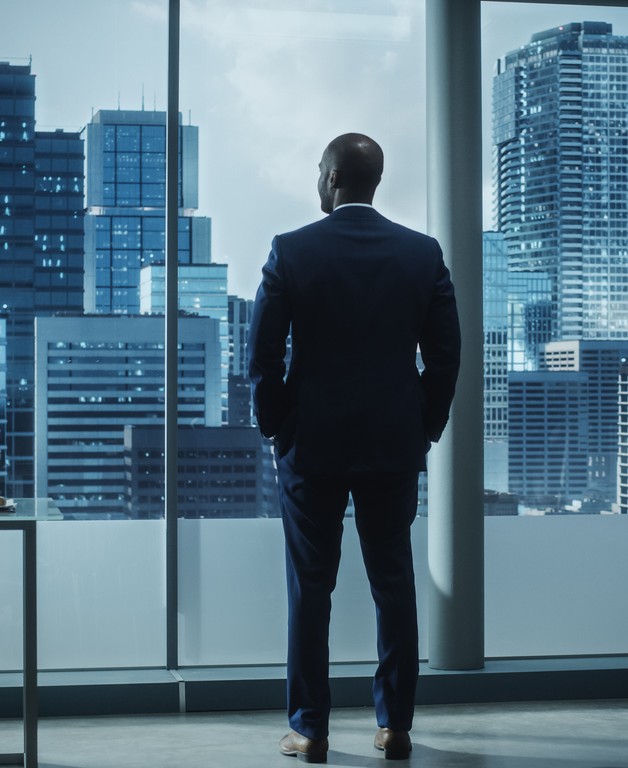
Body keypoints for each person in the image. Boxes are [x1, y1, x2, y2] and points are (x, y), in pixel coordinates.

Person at [249, 133, 461, 763]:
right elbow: (446, 356)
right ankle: (394, 725)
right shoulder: (422, 254)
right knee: (392, 581)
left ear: (336, 177)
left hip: (312, 445)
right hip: (392, 445)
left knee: (310, 589)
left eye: (319, 170)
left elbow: (262, 355)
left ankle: (310, 728)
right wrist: (420, 424)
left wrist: (278, 427)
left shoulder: (291, 251)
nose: (317, 179)